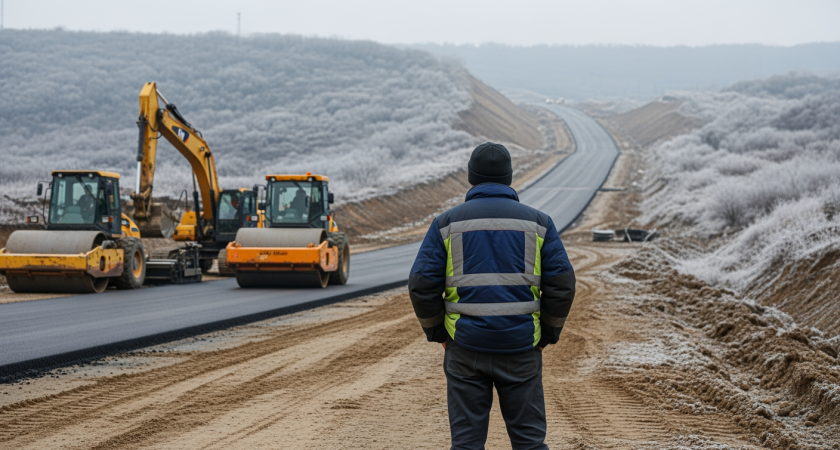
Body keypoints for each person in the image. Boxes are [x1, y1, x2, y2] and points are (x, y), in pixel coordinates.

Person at [408, 142, 576, 450]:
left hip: (465, 348)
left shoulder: (446, 224)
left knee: (467, 444)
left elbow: (421, 284)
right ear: (510, 179)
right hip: (521, 346)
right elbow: (563, 284)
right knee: (529, 442)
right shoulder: (539, 223)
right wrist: (547, 334)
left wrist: (438, 333)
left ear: (471, 179)